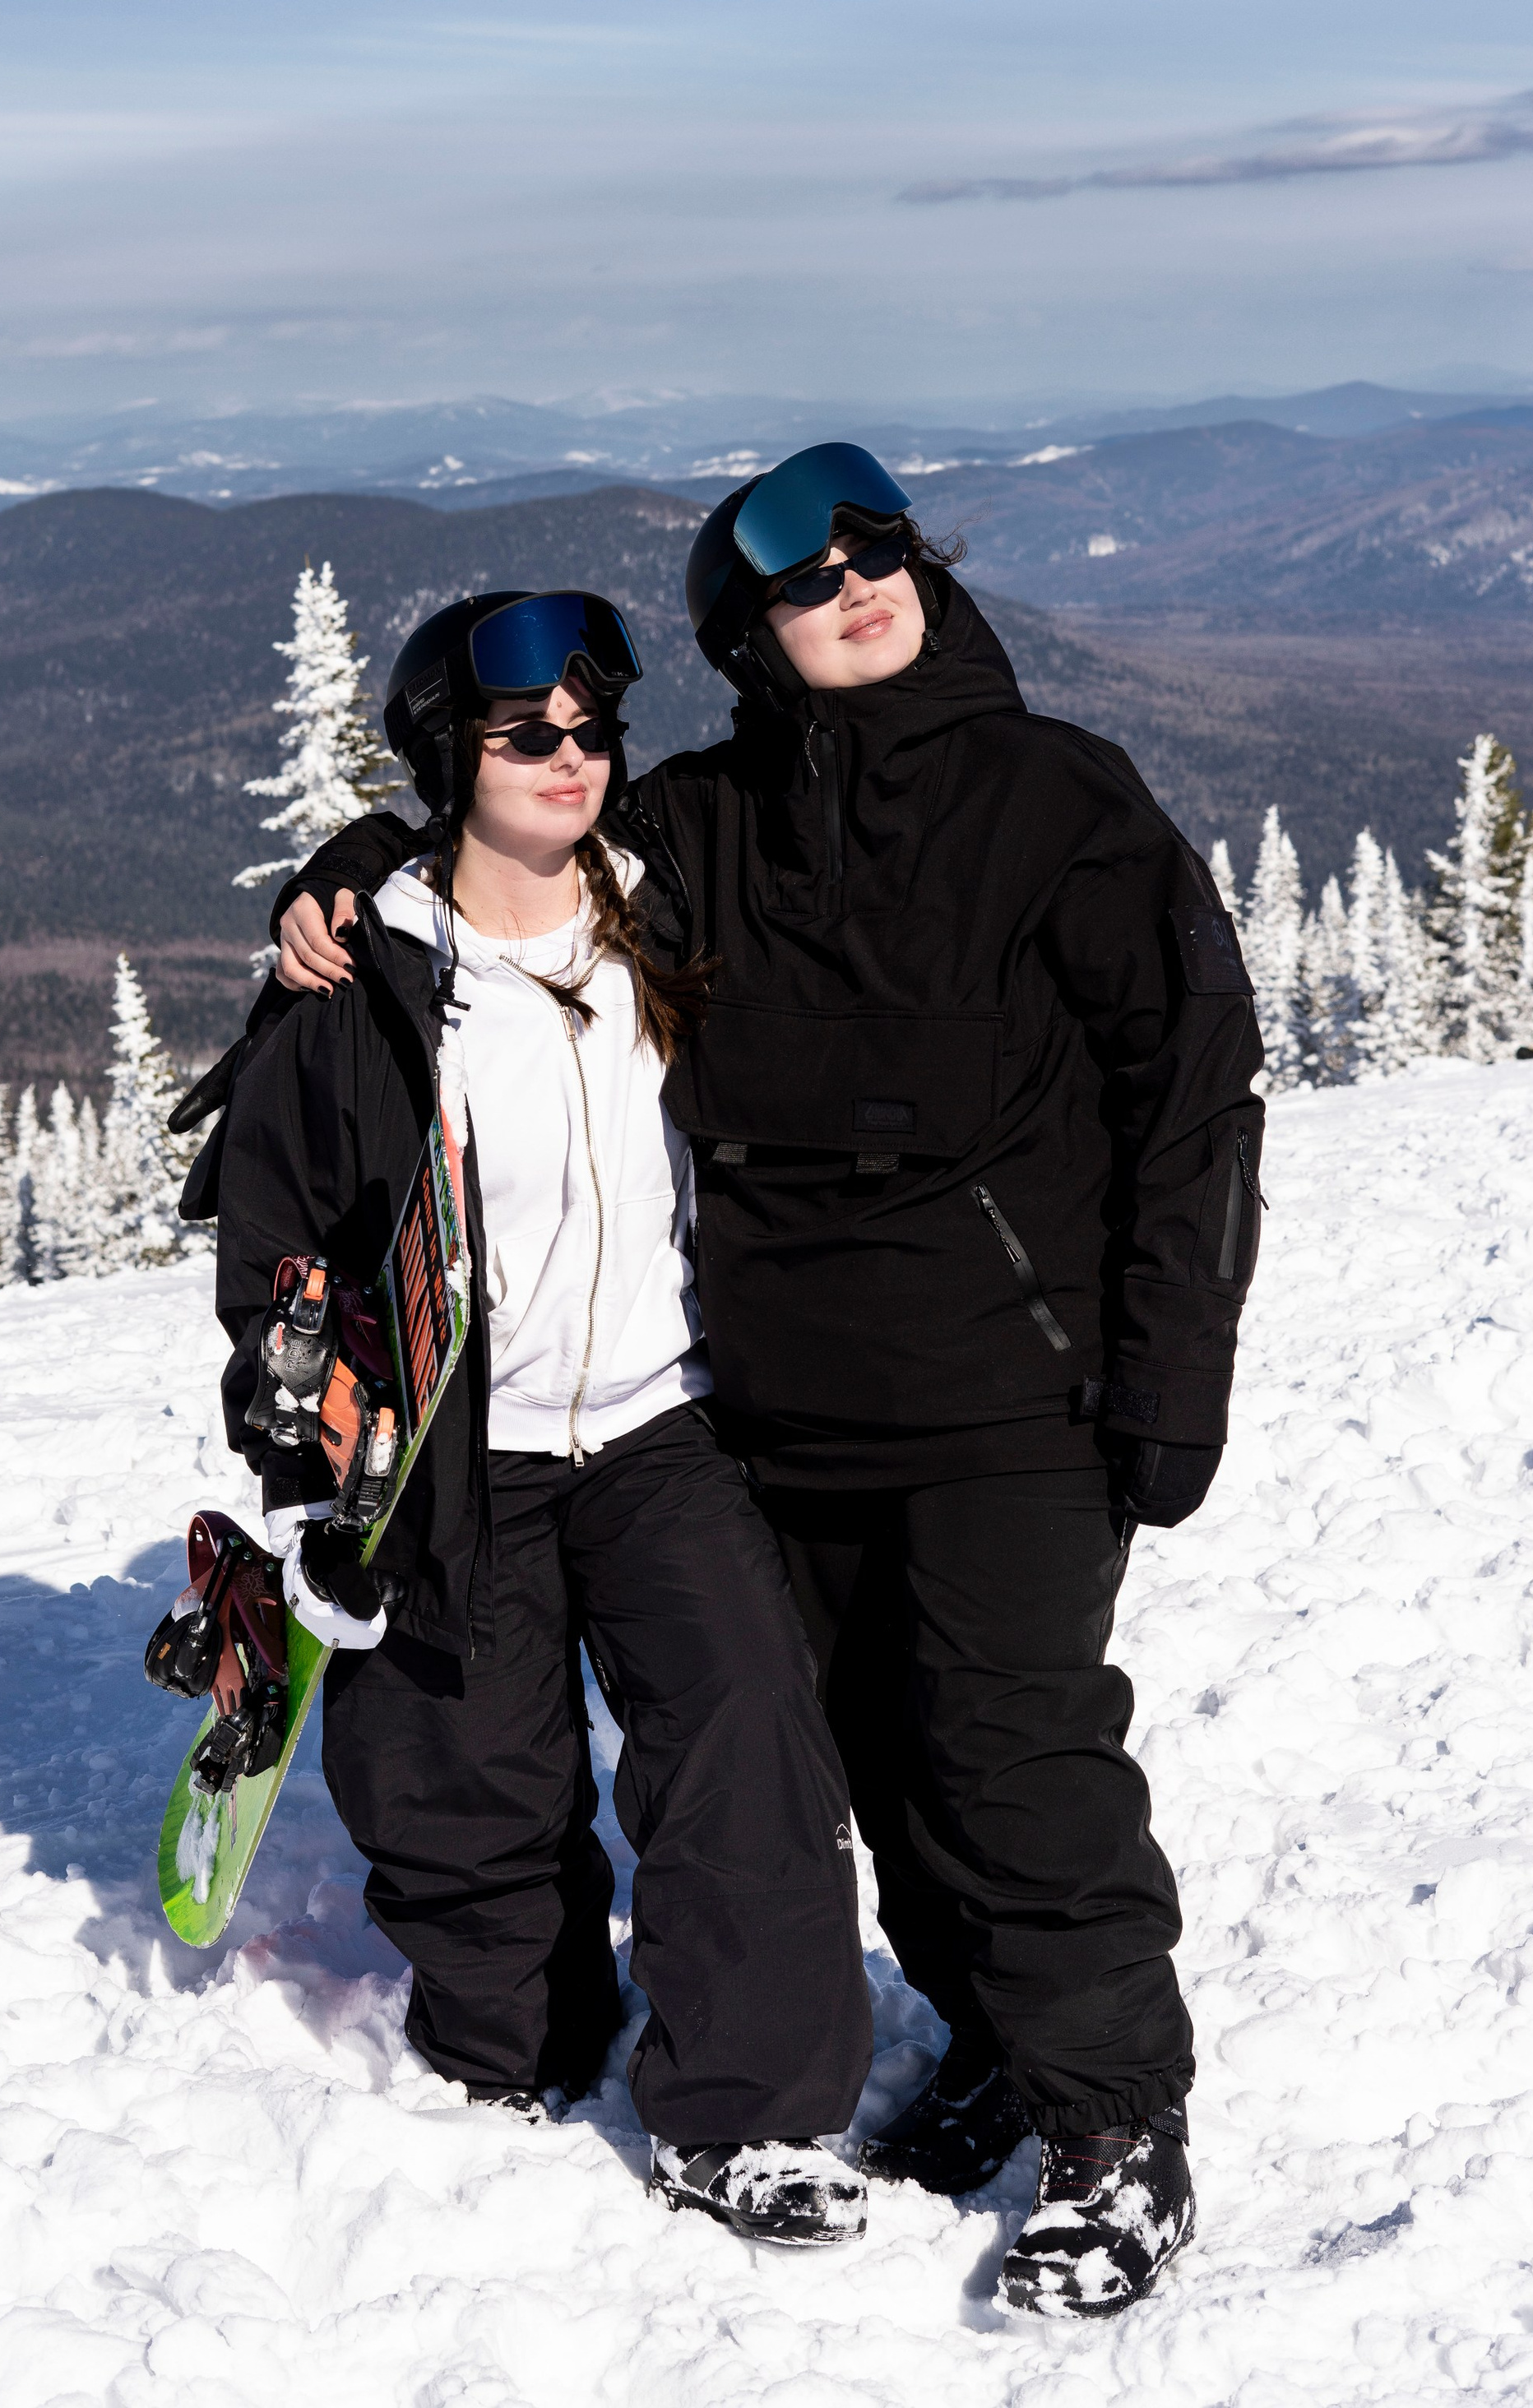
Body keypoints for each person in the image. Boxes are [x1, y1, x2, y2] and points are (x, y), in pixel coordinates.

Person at [275, 447, 1265, 2318]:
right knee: (862, 1764)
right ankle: (987, 2027)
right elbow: (506, 831)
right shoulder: (709, 822)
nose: (851, 583)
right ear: (749, 633)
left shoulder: (1061, 802)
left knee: (1006, 1749)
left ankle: (1116, 2121)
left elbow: (1196, 1087)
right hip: (773, 1422)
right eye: (802, 578)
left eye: (875, 545)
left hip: (1011, 1407)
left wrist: (1171, 1364)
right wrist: (341, 876)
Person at [196, 586, 873, 2244]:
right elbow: (276, 1236)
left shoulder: (669, 905)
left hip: (659, 1429)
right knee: (461, 1783)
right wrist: (301, 1435)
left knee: (747, 1741)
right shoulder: (356, 983)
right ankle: (516, 2041)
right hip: (449, 1455)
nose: (570, 757)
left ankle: (750, 2117)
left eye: (588, 728)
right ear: (452, 753)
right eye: (526, 734)